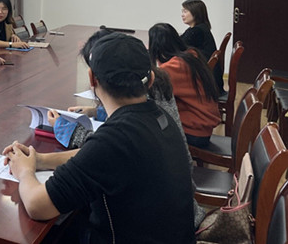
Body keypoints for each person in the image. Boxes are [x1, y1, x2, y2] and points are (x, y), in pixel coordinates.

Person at [3, 33, 196, 244]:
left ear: (92, 79)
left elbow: (37, 205)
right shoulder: (160, 117)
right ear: (150, 80)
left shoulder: (115, 139)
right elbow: (92, 155)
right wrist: (40, 160)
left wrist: (24, 171)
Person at [48, 28, 206, 228]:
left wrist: (66, 130)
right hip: (178, 209)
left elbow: (109, 148)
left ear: (93, 77)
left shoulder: (121, 134)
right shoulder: (151, 97)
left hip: (151, 216)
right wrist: (97, 112)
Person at [148, 22, 221, 148]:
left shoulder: (174, 68)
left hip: (194, 131)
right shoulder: (191, 55)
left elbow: (150, 90)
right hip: (203, 126)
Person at [180, 0, 223, 94]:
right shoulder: (199, 28)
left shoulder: (197, 31)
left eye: (185, 11)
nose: (182, 15)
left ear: (195, 13)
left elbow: (178, 47)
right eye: (182, 11)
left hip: (206, 83)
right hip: (208, 77)